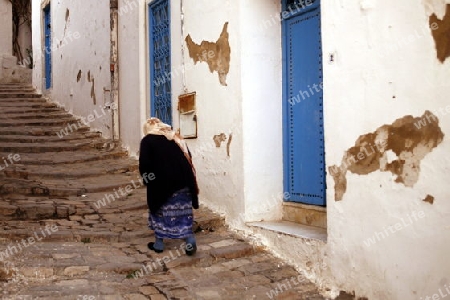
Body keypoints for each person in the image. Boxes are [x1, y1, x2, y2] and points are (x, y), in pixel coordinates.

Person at [139, 118, 199, 256]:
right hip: (183, 182)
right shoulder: (174, 137)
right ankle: (189, 240)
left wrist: (147, 180)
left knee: (159, 211)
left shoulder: (147, 141)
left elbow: (145, 164)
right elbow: (188, 156)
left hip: (161, 185)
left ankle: (159, 244)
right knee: (184, 213)